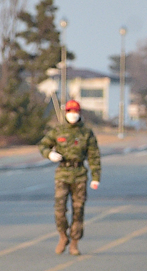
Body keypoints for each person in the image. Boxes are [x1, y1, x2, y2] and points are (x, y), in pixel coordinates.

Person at [37, 100, 101, 256]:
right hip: (62, 174)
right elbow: (43, 145)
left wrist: (95, 177)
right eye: (70, 111)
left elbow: (94, 155)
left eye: (76, 111)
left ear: (79, 113)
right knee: (59, 209)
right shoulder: (58, 130)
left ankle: (74, 242)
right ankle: (63, 236)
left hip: (79, 173)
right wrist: (49, 154)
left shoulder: (86, 132)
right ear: (66, 113)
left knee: (78, 210)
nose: (73, 114)